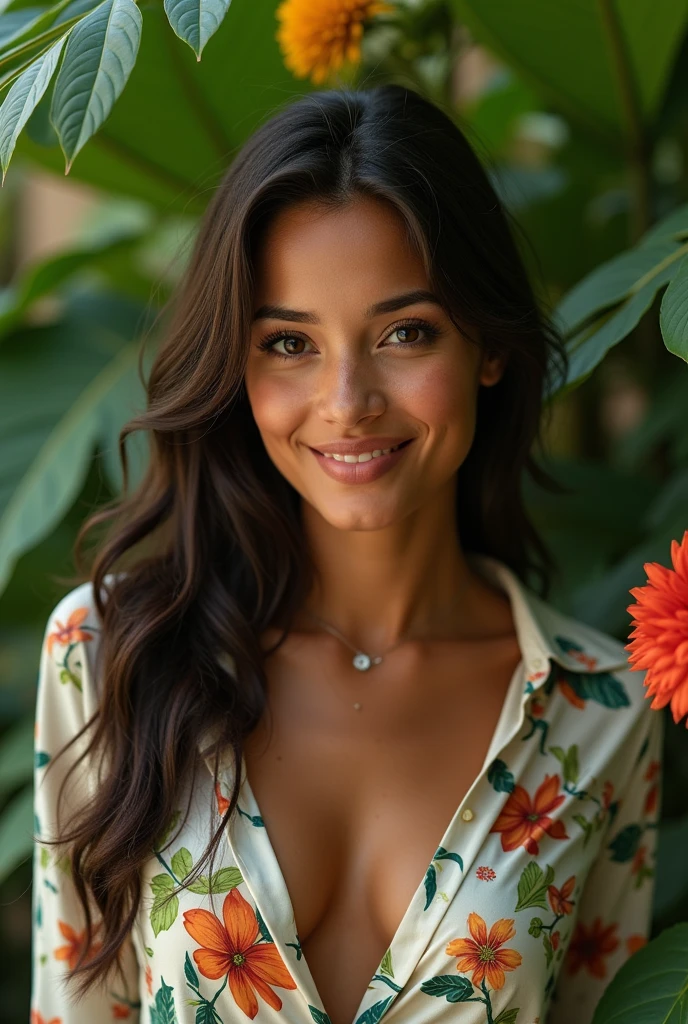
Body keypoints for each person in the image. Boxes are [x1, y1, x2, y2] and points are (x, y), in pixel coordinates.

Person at [30, 85, 661, 1024]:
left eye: (405, 333)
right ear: (235, 367)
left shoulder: (599, 714)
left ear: (487, 343)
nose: (346, 400)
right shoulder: (112, 654)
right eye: (288, 342)